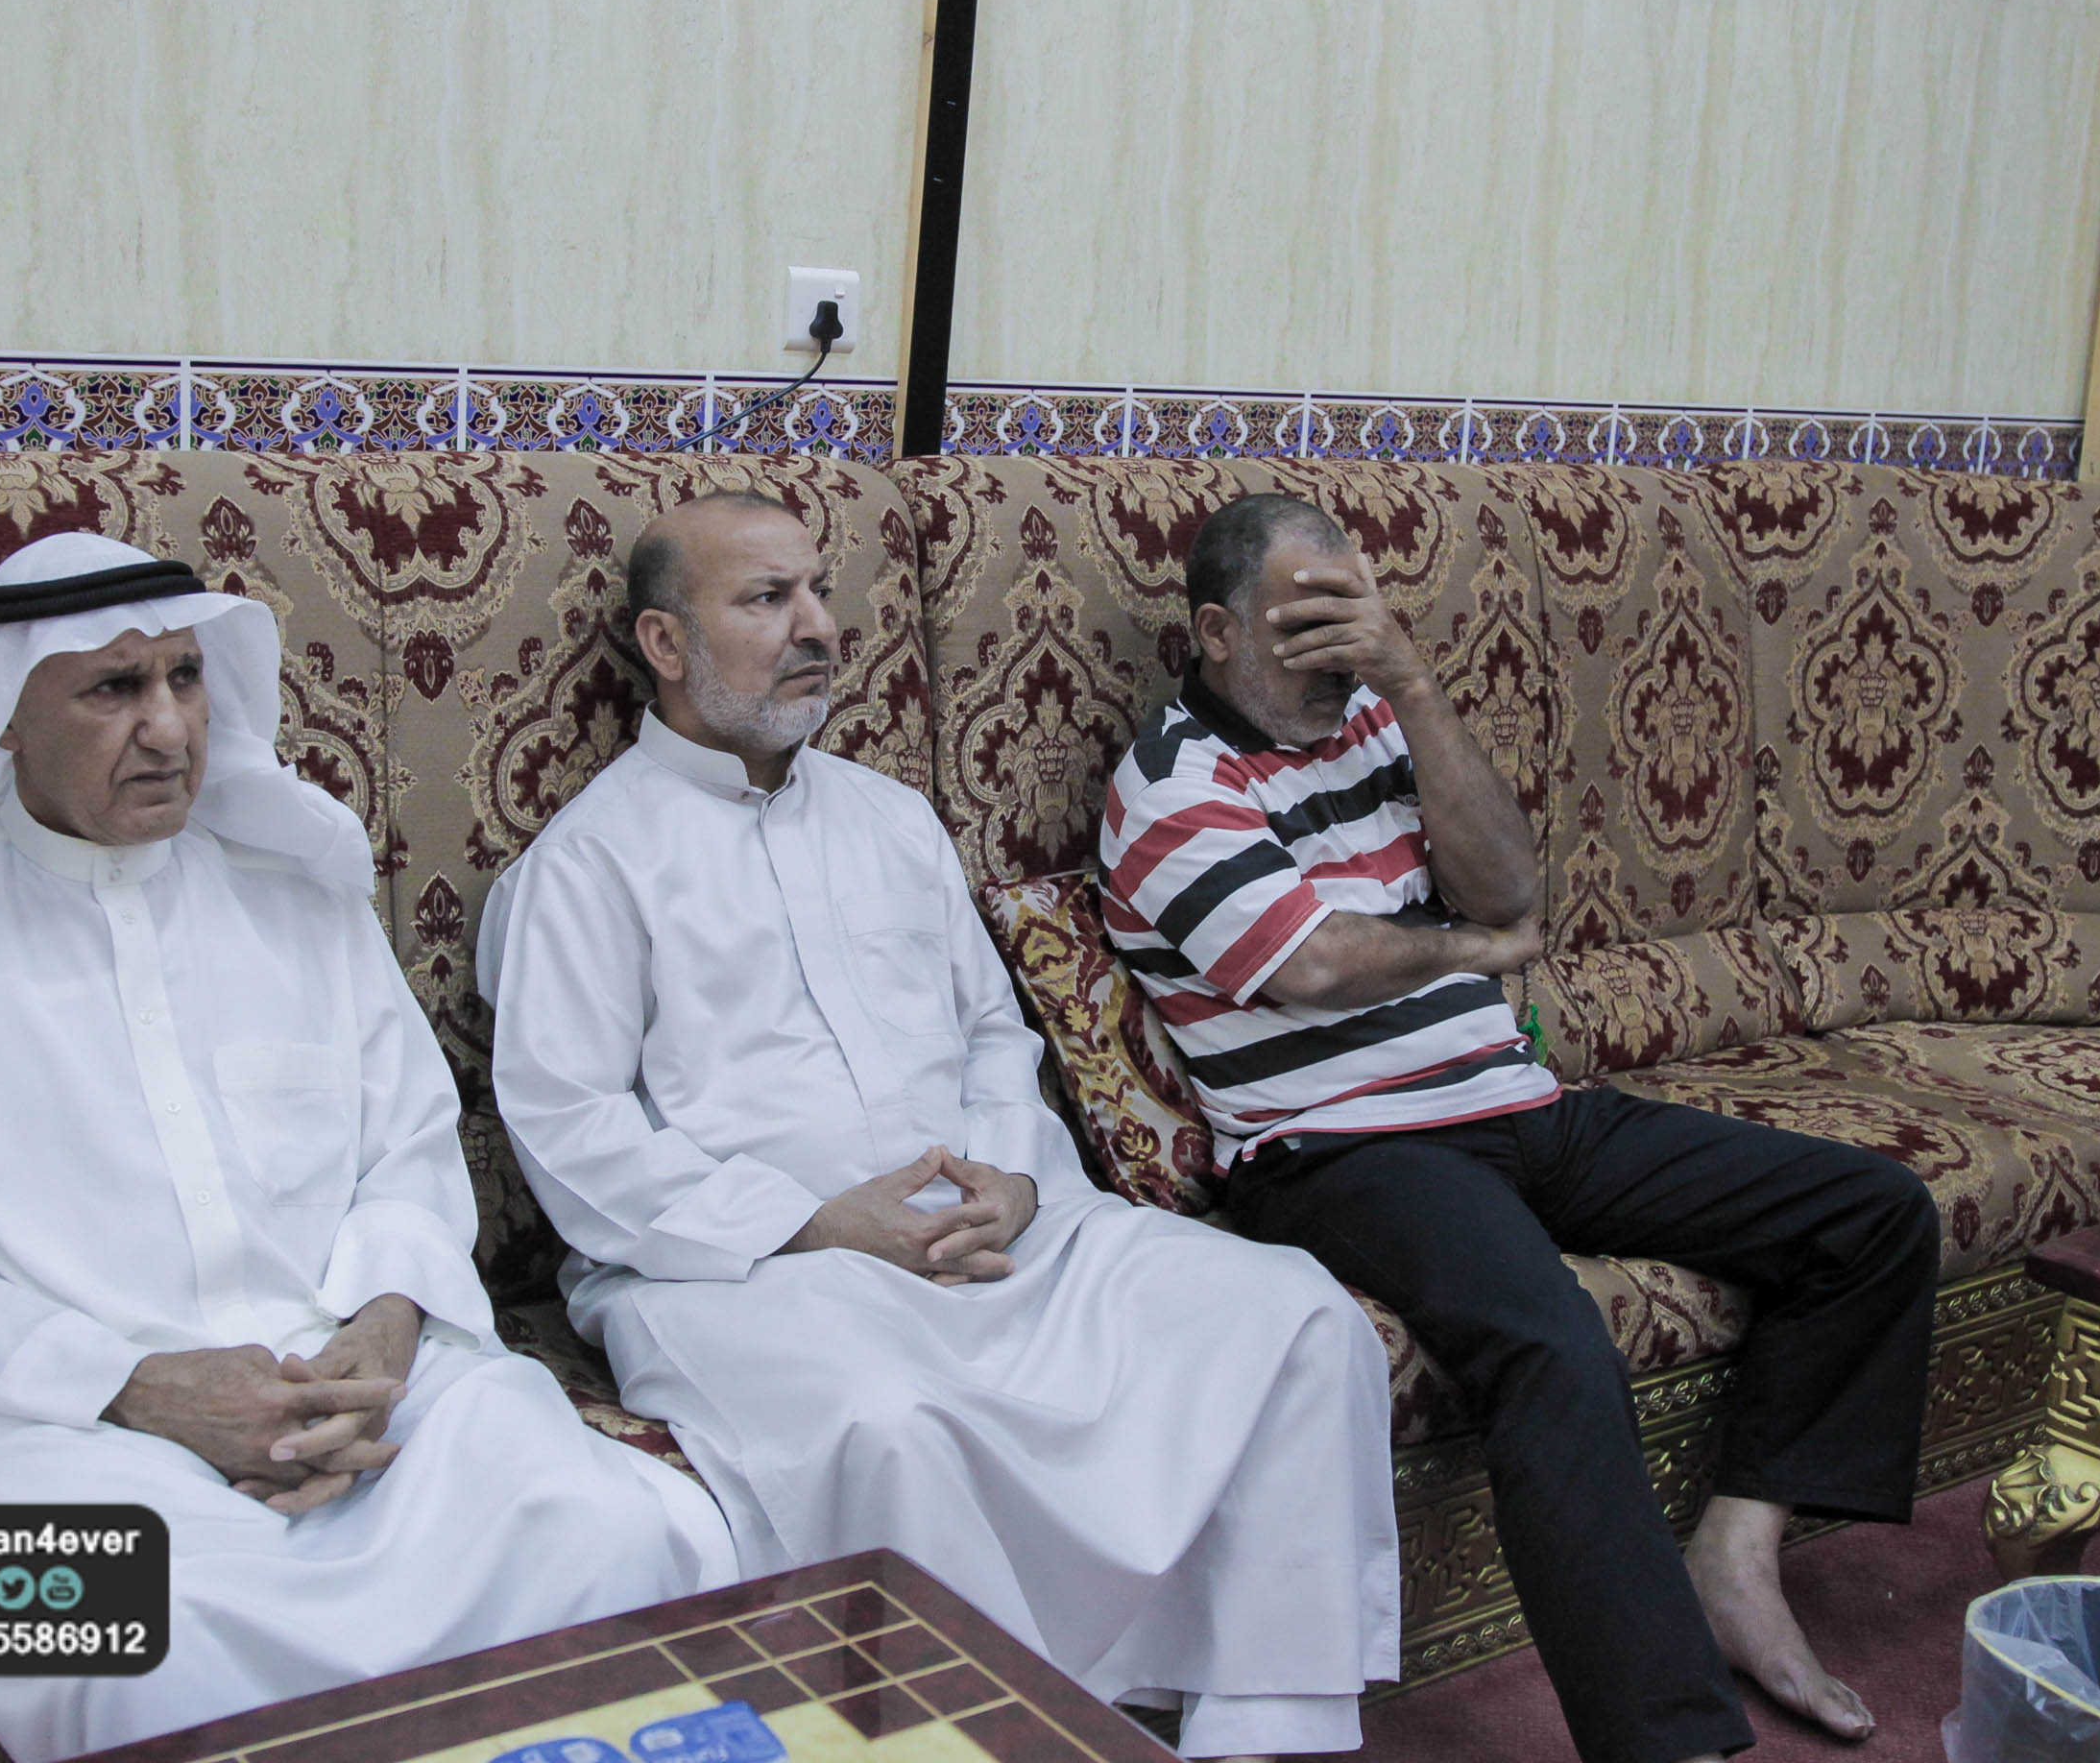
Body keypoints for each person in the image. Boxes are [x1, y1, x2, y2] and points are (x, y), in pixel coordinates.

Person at [0, 532, 736, 1763]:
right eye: (114, 687)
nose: (168, 727)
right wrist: (148, 1389)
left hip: (358, 1387)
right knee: (155, 1647)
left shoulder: (293, 892)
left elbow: (408, 1149)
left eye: (185, 678)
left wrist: (385, 1326)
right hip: (56, 1432)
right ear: (6, 719)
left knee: (610, 1533)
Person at [480, 491, 1401, 1762]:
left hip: (995, 1224)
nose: (819, 625)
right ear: (665, 643)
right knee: (888, 1424)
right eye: (768, 600)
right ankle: (1002, 1738)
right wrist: (813, 1224)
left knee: (1295, 1314)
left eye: (818, 589)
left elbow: (989, 1035)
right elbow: (571, 1127)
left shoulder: (890, 818)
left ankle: (1263, 1728)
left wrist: (1013, 1180)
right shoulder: (586, 865)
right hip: (751, 1275)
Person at [1100, 495, 1943, 1763]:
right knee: (1552, 1343)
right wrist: (1474, 952)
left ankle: (1736, 1553)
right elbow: (1315, 963)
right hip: (1338, 1146)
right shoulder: (1169, 785)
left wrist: (1413, 684)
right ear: (1218, 634)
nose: (1338, 654)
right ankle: (1666, 1740)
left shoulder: (1375, 713)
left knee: (1871, 1213)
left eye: (1353, 616)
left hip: (1516, 1106)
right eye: (1304, 628)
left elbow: (1508, 883)